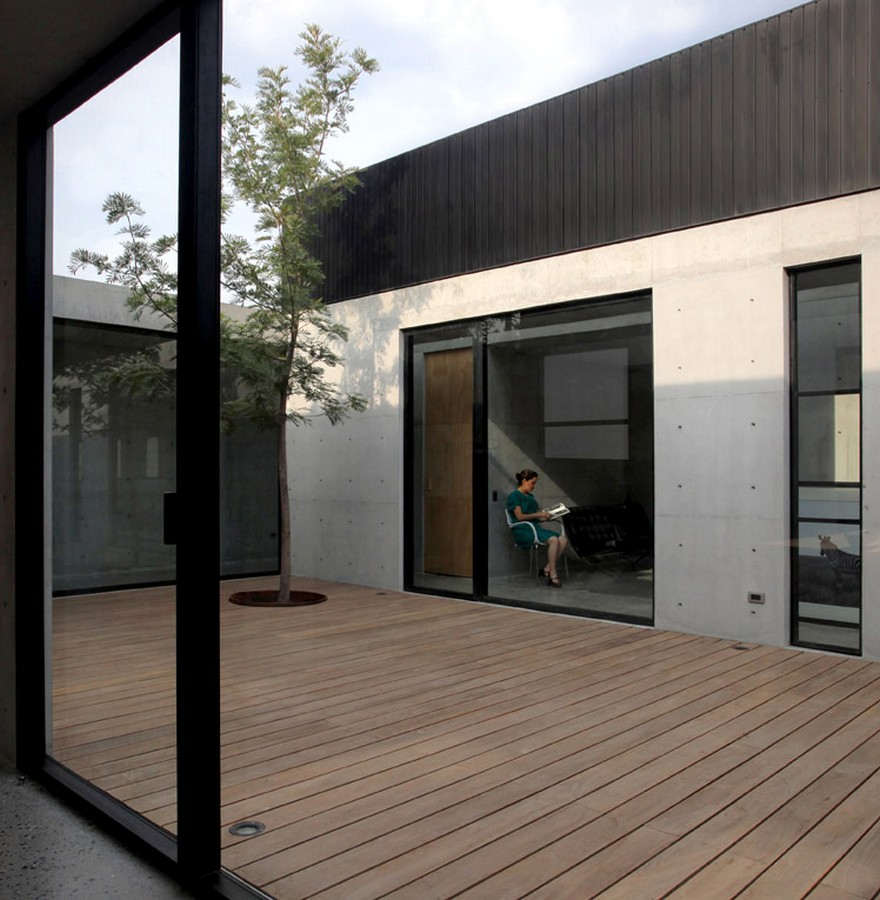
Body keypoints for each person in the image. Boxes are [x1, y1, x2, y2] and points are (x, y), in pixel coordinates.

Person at [507, 468, 569, 586]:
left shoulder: (531, 497)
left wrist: (548, 516)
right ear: (524, 481)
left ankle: (546, 569)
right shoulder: (514, 496)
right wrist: (539, 514)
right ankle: (553, 574)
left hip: (535, 527)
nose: (534, 486)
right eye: (532, 483)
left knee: (563, 539)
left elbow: (536, 517)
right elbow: (519, 517)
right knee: (553, 539)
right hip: (523, 529)